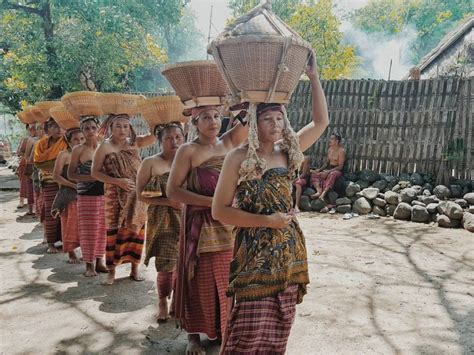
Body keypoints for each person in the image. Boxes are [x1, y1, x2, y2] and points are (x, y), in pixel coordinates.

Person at [212, 55, 329, 354]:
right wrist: (267, 221)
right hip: (254, 248)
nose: (275, 125)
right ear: (254, 122)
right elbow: (220, 210)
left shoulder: (288, 151)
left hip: (287, 248)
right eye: (267, 119)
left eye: (279, 118)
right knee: (248, 326)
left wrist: (313, 77)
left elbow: (321, 122)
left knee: (280, 322)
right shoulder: (238, 158)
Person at [166, 106, 248, 354]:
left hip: (229, 224)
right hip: (200, 227)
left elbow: (250, 120)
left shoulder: (229, 141)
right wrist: (211, 203)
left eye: (215, 116)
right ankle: (193, 336)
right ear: (195, 123)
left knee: (227, 280)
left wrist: (243, 104)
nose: (213, 122)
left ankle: (223, 329)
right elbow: (173, 191)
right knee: (198, 280)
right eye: (205, 117)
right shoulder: (187, 150)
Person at [91, 114, 156, 285]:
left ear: (131, 128)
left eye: (126, 126)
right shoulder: (104, 147)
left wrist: (158, 120)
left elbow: (155, 135)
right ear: (111, 128)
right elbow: (95, 172)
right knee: (114, 231)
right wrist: (117, 181)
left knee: (137, 230)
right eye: (118, 126)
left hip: (137, 194)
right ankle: (111, 271)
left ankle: (135, 269)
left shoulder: (135, 142)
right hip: (114, 195)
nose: (122, 130)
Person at [136, 123, 185, 322]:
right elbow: (140, 195)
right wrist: (168, 202)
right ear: (160, 140)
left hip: (186, 218)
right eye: (168, 138)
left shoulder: (189, 160)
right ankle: (162, 300)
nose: (174, 142)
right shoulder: (150, 162)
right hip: (162, 220)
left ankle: (177, 301)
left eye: (178, 137)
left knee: (183, 263)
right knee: (165, 264)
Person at [68, 117, 108, 277]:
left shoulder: (105, 147)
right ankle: (89, 265)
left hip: (104, 194)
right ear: (82, 131)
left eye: (93, 127)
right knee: (88, 230)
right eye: (86, 128)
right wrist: (93, 177)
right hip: (86, 196)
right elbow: (71, 174)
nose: (91, 131)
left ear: (98, 128)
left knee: (103, 230)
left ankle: (100, 261)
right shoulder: (78, 150)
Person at [34, 118, 68, 253]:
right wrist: (57, 164)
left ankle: (66, 241)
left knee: (66, 213)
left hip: (66, 182)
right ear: (47, 129)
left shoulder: (68, 142)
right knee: (50, 212)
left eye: (61, 126)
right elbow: (38, 162)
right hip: (49, 182)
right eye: (54, 126)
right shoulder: (41, 144)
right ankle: (51, 243)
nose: (58, 130)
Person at [53, 128, 85, 263]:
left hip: (86, 194)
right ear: (69, 141)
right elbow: (56, 176)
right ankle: (71, 252)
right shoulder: (64, 155)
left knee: (85, 225)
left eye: (82, 138)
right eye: (75, 139)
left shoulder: (89, 153)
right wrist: (72, 185)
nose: (79, 142)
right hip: (69, 195)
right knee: (69, 224)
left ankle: (87, 251)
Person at [310, 132, 345, 201]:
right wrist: (319, 170)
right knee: (314, 173)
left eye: (332, 139)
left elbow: (340, 166)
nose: (330, 140)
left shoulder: (341, 151)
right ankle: (318, 191)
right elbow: (326, 163)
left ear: (337, 141)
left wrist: (328, 172)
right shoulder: (330, 149)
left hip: (337, 170)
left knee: (332, 174)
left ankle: (323, 194)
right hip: (329, 168)